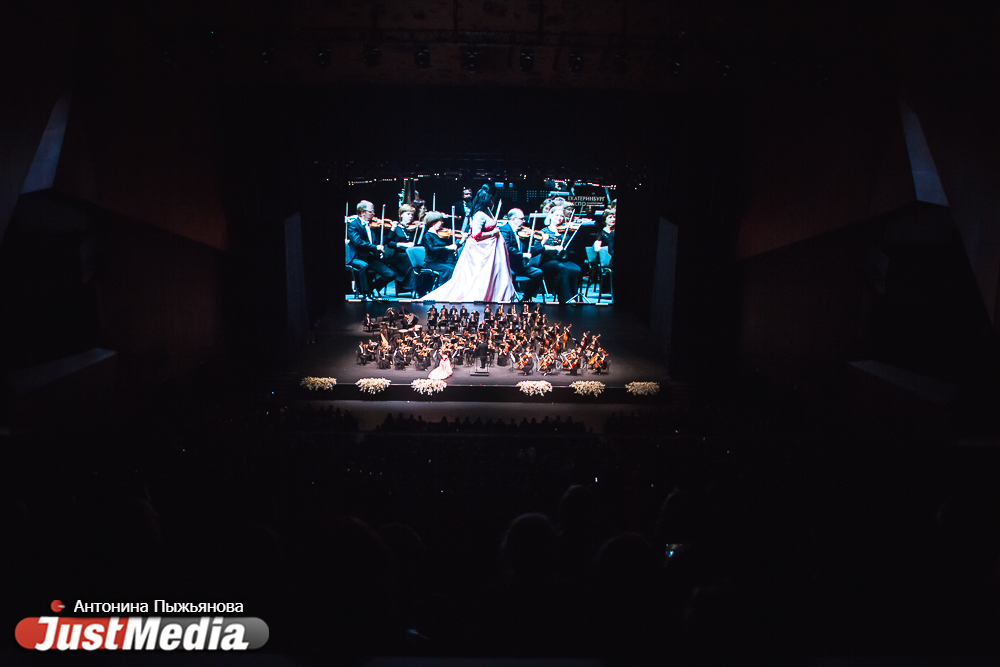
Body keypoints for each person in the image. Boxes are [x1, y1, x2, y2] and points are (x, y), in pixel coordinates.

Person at [421, 185, 516, 303]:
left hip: (491, 249)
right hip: (481, 251)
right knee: (478, 278)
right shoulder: (479, 214)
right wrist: (493, 232)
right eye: (493, 197)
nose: (494, 200)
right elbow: (476, 234)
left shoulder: (488, 211)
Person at [345, 200, 394, 298]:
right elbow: (357, 242)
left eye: (373, 211)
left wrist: (392, 231)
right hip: (356, 257)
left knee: (390, 274)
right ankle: (364, 293)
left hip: (370, 257)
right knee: (363, 266)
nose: (373, 214)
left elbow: (382, 241)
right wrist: (375, 247)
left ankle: (371, 288)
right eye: (371, 211)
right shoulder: (353, 225)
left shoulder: (374, 226)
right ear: (363, 213)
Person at [537, 205, 582, 304]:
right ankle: (566, 298)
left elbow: (571, 249)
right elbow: (539, 248)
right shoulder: (544, 231)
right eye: (557, 215)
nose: (559, 218)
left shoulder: (565, 232)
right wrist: (554, 247)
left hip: (562, 260)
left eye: (561, 216)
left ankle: (575, 296)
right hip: (548, 261)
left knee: (576, 269)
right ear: (551, 215)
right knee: (562, 268)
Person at [498, 208, 544, 302]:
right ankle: (508, 299)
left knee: (538, 273)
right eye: (522, 219)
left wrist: (542, 243)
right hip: (507, 265)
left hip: (519, 265)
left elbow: (530, 251)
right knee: (511, 274)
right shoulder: (504, 230)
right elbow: (507, 248)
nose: (524, 221)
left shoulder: (522, 232)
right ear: (513, 219)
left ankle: (525, 299)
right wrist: (522, 255)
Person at [386, 204, 418, 293]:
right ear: (401, 214)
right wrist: (403, 244)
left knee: (419, 261)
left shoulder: (414, 228)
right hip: (400, 255)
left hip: (411, 254)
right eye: (408, 214)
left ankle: (419, 287)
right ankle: (411, 288)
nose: (410, 216)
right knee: (411, 262)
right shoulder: (396, 227)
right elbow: (388, 243)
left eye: (412, 214)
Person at [420, 212, 459, 284]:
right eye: (440, 220)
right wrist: (447, 247)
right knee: (450, 270)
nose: (442, 222)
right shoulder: (428, 235)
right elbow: (432, 249)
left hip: (443, 262)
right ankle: (445, 288)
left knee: (457, 268)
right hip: (432, 263)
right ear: (434, 222)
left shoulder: (441, 235)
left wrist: (461, 241)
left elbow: (451, 248)